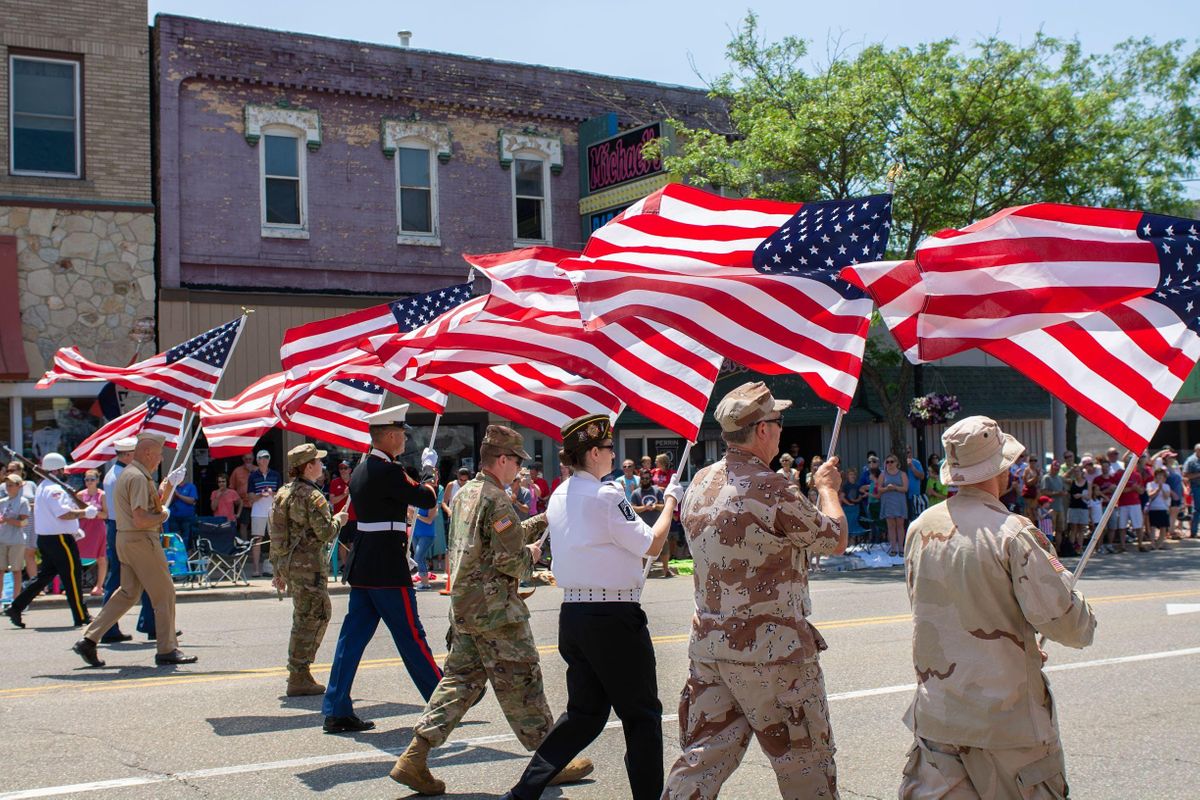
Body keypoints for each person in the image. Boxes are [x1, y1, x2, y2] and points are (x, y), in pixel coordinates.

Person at [662, 382, 847, 800]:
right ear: (762, 430)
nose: (782, 429)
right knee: (806, 765)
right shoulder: (771, 486)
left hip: (711, 647)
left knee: (702, 760)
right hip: (772, 652)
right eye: (778, 422)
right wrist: (827, 490)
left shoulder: (701, 481)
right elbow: (833, 538)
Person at [391, 425, 594, 795]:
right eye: (517, 461)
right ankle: (551, 762)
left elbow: (491, 542)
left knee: (459, 684)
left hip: (466, 610)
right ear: (502, 459)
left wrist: (543, 520)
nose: (519, 468)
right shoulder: (497, 499)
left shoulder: (469, 492)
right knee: (525, 681)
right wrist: (531, 556)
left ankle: (414, 756)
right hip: (497, 612)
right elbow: (511, 560)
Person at [900, 416, 1096, 799]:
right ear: (1000, 468)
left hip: (939, 715)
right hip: (1005, 722)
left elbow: (932, 609)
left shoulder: (920, 526)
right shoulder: (1013, 533)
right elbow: (1070, 626)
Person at [501, 414, 682, 800]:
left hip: (577, 615)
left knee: (585, 715)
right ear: (594, 453)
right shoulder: (606, 494)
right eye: (609, 448)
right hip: (612, 617)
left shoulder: (563, 493)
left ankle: (523, 792)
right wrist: (670, 503)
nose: (613, 453)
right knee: (642, 717)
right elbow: (651, 543)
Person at [321, 404, 442, 734]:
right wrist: (430, 472)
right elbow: (426, 498)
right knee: (411, 637)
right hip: (387, 566)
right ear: (389, 436)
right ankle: (445, 701)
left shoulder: (363, 468)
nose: (404, 439)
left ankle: (336, 707)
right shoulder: (386, 470)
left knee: (352, 639)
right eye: (401, 434)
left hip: (365, 565)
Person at [75, 433, 195, 666]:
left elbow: (148, 505)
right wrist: (163, 515)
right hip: (141, 540)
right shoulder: (138, 477)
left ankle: (89, 639)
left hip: (127, 539)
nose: (160, 459)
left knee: (128, 592)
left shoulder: (132, 474)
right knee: (165, 593)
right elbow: (142, 518)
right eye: (159, 455)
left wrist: (169, 485)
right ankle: (167, 649)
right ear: (148, 453)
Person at [269, 443, 348, 697]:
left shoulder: (283, 492)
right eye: (318, 462)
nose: (321, 466)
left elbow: (276, 534)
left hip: (291, 565)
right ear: (308, 466)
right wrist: (339, 520)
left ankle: (298, 671)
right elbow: (325, 532)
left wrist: (278, 569)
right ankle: (299, 674)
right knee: (315, 615)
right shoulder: (312, 496)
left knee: (304, 616)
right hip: (309, 566)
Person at [4, 453, 95, 629]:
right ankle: (81, 615)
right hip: (59, 539)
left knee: (44, 576)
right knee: (72, 576)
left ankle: (16, 607)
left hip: (48, 538)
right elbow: (63, 513)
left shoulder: (44, 486)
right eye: (62, 469)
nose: (64, 472)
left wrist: (74, 528)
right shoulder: (54, 489)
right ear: (58, 470)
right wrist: (85, 513)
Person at [97, 438, 153, 643]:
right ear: (128, 455)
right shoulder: (126, 476)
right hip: (128, 528)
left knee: (135, 578)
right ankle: (108, 626)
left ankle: (151, 622)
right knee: (133, 577)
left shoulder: (114, 473)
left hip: (118, 527)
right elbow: (137, 507)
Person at [247, 450, 281, 577]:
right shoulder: (253, 476)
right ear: (258, 460)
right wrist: (260, 495)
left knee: (274, 539)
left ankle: (273, 568)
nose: (264, 459)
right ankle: (256, 569)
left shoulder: (276, 474)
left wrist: (273, 493)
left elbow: (281, 494)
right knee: (257, 540)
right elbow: (250, 496)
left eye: (267, 457)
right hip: (258, 512)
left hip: (273, 511)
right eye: (262, 457)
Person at [76, 469, 108, 595]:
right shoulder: (79, 495)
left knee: (100, 557)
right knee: (76, 557)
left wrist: (95, 513)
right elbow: (74, 513)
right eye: (87, 480)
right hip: (82, 528)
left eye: (92, 479)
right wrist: (85, 513)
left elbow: (106, 514)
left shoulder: (102, 495)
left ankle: (99, 586)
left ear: (97, 480)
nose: (89, 482)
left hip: (97, 529)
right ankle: (76, 584)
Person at [2, 473, 31, 610]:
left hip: (16, 540)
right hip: (2, 539)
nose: (8, 487)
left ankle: (17, 601)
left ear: (19, 486)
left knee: (16, 570)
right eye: (7, 484)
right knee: (0, 570)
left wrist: (7, 520)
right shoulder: (2, 502)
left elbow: (23, 522)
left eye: (11, 485)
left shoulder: (23, 502)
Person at [877, 454, 909, 556]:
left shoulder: (902, 474)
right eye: (887, 462)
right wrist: (887, 488)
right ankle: (893, 548)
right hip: (888, 502)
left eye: (891, 461)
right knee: (891, 526)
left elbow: (905, 488)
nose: (889, 464)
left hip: (899, 502)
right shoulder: (883, 474)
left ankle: (901, 548)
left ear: (896, 463)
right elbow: (878, 489)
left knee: (900, 525)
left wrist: (895, 487)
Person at [411, 475, 438, 590]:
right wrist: (410, 512)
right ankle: (424, 581)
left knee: (418, 557)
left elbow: (429, 520)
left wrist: (416, 514)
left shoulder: (433, 503)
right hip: (415, 533)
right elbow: (410, 518)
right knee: (419, 558)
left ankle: (425, 583)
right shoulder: (416, 502)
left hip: (427, 534)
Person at [1145, 467, 1174, 551]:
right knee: (1152, 527)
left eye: (1162, 476)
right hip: (1153, 508)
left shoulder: (1167, 486)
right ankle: (1153, 543)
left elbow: (1166, 497)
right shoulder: (1150, 484)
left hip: (1163, 508)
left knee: (1163, 527)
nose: (1160, 477)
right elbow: (1150, 495)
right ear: (1155, 476)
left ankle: (1160, 543)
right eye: (1158, 475)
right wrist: (1157, 489)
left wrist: (1162, 488)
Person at [168, 475, 199, 549]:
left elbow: (192, 501)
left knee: (186, 537)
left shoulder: (191, 487)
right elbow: (167, 503)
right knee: (174, 536)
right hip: (173, 516)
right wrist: (173, 495)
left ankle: (186, 553)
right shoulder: (173, 488)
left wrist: (178, 495)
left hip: (187, 517)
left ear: (184, 477)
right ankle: (176, 553)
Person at [229, 451, 254, 539]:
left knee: (257, 525)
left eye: (250, 459)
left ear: (253, 458)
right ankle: (245, 546)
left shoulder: (258, 470)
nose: (248, 460)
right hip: (243, 503)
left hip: (257, 502)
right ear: (243, 459)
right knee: (243, 525)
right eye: (246, 459)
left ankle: (256, 548)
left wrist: (252, 472)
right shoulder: (237, 471)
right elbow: (232, 487)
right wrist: (237, 499)